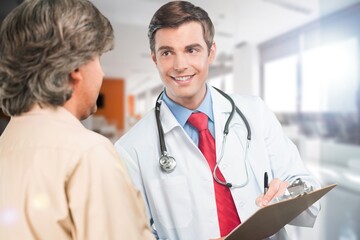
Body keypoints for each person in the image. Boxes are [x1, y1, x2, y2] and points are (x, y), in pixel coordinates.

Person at [115, 1, 321, 239]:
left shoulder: (255, 113)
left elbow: (307, 188)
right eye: (167, 52)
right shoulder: (131, 150)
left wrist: (288, 195)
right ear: (155, 59)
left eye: (192, 50)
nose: (180, 65)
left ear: (211, 52)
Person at [0, 0, 154, 239]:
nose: (102, 73)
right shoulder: (88, 154)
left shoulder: (6, 145)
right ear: (75, 66)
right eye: (98, 57)